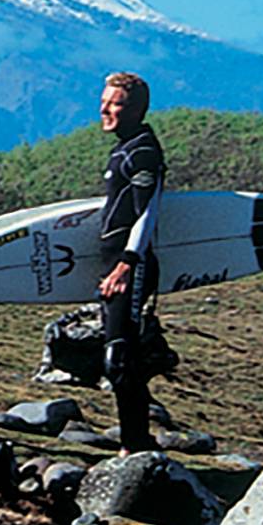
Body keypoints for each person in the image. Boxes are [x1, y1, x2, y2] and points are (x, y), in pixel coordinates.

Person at [95, 70, 164, 453]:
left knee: (119, 358)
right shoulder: (124, 147)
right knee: (120, 356)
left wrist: (126, 263)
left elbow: (146, 213)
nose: (105, 109)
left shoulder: (142, 151)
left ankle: (135, 445)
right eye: (104, 101)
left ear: (135, 109)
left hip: (130, 266)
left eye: (115, 103)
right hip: (115, 264)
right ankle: (134, 441)